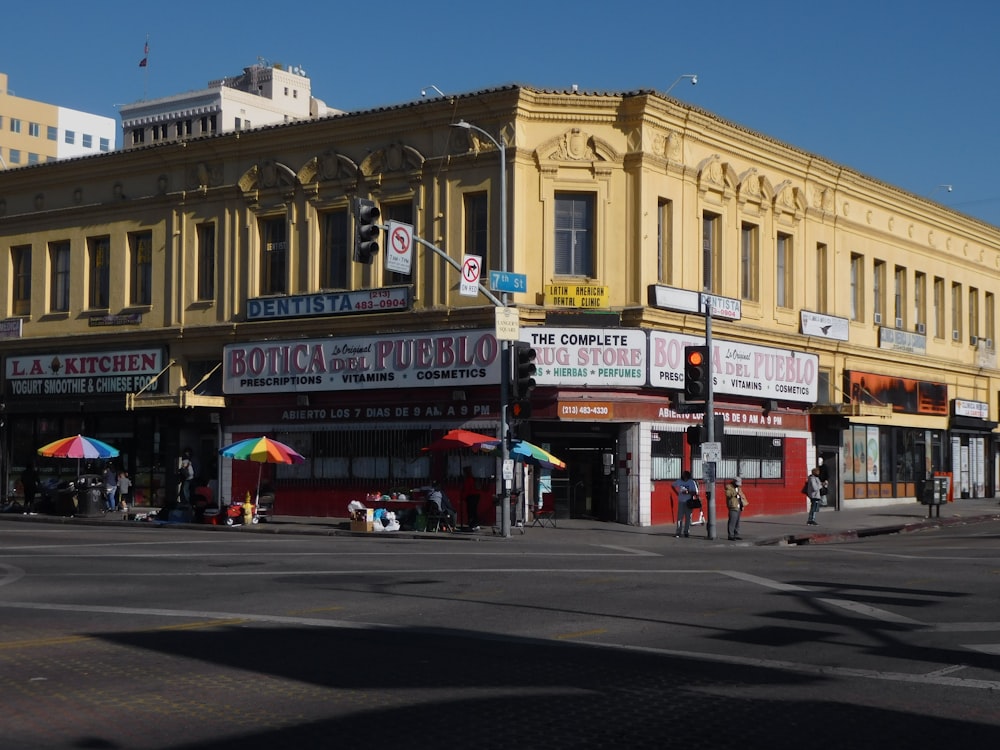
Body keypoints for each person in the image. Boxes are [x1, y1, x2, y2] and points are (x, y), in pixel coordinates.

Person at [672, 470, 699, 538]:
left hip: (689, 501)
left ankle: (686, 531)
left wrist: (688, 492)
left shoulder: (691, 482)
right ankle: (678, 532)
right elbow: (672, 485)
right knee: (679, 518)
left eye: (685, 475)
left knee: (688, 517)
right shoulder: (679, 481)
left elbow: (695, 492)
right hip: (681, 501)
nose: (684, 476)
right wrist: (677, 493)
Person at [462, 466, 480, 531]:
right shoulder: (472, 478)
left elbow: (466, 490)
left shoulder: (468, 480)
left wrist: (463, 498)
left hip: (471, 496)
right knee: (474, 511)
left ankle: (472, 524)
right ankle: (475, 524)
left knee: (471, 511)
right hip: (476, 496)